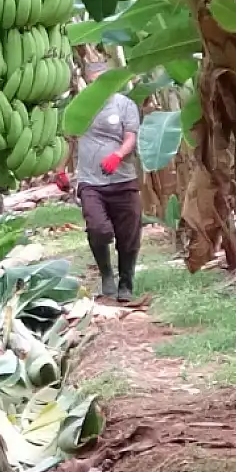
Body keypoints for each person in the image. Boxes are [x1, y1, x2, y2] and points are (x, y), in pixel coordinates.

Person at [75, 62, 143, 301]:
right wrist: (60, 170)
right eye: (94, 82)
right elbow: (70, 138)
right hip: (90, 181)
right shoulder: (80, 107)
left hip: (123, 180)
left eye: (104, 80)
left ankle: (126, 282)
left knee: (129, 235)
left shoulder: (125, 105)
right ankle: (106, 274)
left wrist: (118, 155)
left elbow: (130, 137)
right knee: (98, 228)